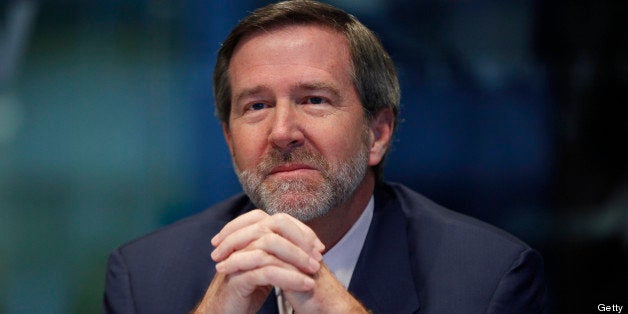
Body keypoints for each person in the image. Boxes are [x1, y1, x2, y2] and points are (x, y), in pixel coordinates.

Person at [102, 1, 547, 313]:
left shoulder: (488, 279)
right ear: (228, 139)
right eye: (256, 106)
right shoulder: (145, 278)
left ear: (378, 133)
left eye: (314, 100)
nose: (282, 133)